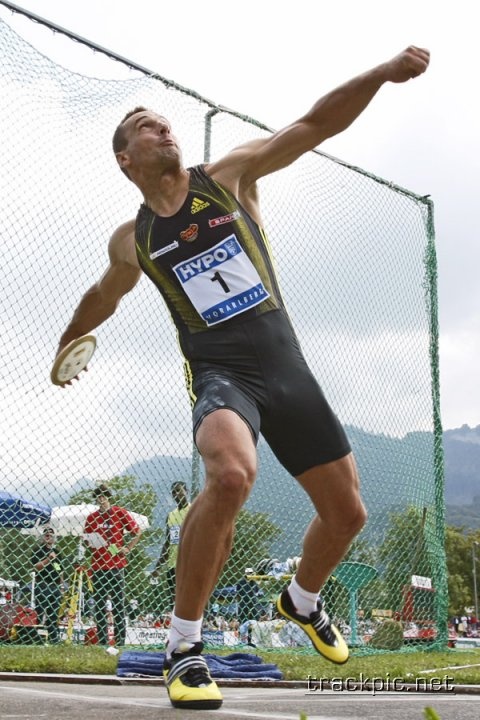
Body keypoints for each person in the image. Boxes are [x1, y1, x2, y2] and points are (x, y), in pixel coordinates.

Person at [54, 46, 430, 709]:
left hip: (288, 368)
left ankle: (302, 599)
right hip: (222, 376)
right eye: (148, 125)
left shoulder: (227, 177)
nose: (164, 128)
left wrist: (378, 73)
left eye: (167, 123)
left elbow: (312, 126)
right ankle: (183, 647)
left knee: (347, 514)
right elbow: (103, 295)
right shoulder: (133, 238)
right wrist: (70, 337)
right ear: (126, 158)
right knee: (230, 475)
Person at [83, 484, 142, 647]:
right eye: (98, 496)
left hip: (116, 565)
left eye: (103, 496)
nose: (101, 499)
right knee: (100, 605)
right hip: (97, 565)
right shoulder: (91, 517)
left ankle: (120, 641)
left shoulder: (119, 512)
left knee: (118, 604)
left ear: (108, 497)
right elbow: (86, 539)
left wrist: (128, 548)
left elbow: (137, 532)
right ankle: (102, 641)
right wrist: (90, 542)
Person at [151, 481, 190, 611]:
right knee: (174, 601)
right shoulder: (171, 516)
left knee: (188, 599)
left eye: (179, 490)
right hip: (172, 564)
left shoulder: (193, 511)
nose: (176, 494)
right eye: (174, 492)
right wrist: (158, 567)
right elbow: (167, 543)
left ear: (187, 492)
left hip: (189, 564)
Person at [31, 527, 65, 644]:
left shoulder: (58, 552)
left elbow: (60, 570)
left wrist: (61, 586)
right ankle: (36, 637)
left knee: (53, 613)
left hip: (55, 585)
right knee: (40, 610)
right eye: (46, 534)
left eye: (51, 534)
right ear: (43, 537)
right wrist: (48, 559)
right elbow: (36, 566)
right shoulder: (38, 550)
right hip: (43, 583)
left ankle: (53, 638)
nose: (48, 536)